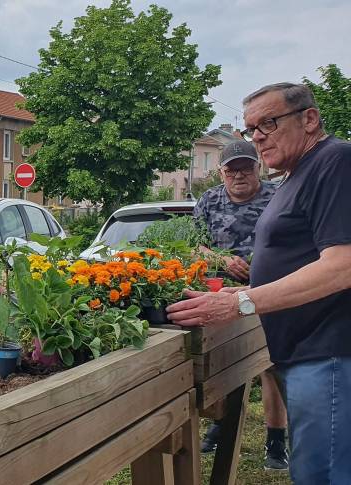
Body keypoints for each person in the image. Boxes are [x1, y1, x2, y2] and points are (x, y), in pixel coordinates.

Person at [167, 82, 351, 484]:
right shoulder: (297, 174)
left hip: (331, 355)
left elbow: (342, 266)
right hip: (307, 354)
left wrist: (242, 303)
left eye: (268, 123)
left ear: (310, 119)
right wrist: (239, 291)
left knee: (326, 474)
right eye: (251, 128)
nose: (257, 137)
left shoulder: (334, 161)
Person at [192, 140, 288, 470]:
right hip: (219, 293)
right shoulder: (209, 199)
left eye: (245, 167)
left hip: (269, 291)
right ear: (221, 172)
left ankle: (276, 441)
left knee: (270, 365)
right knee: (222, 361)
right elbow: (195, 246)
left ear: (257, 166)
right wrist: (221, 258)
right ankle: (223, 424)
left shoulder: (278, 196)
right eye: (232, 169)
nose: (239, 175)